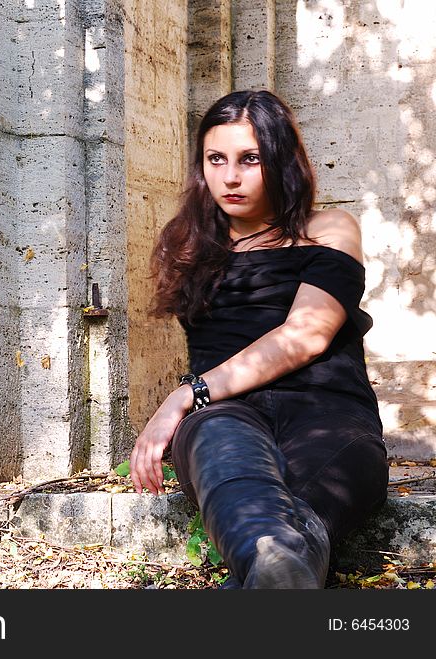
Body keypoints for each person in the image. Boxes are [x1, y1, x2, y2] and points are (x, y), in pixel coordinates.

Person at [129, 89, 388, 589]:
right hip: (226, 415)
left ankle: (274, 572)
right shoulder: (185, 243)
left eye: (250, 159)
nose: (230, 176)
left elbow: (306, 335)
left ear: (281, 160)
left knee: (299, 510)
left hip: (328, 412)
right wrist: (199, 405)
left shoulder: (330, 229)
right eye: (215, 159)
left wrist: (185, 395)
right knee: (237, 474)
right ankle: (277, 571)